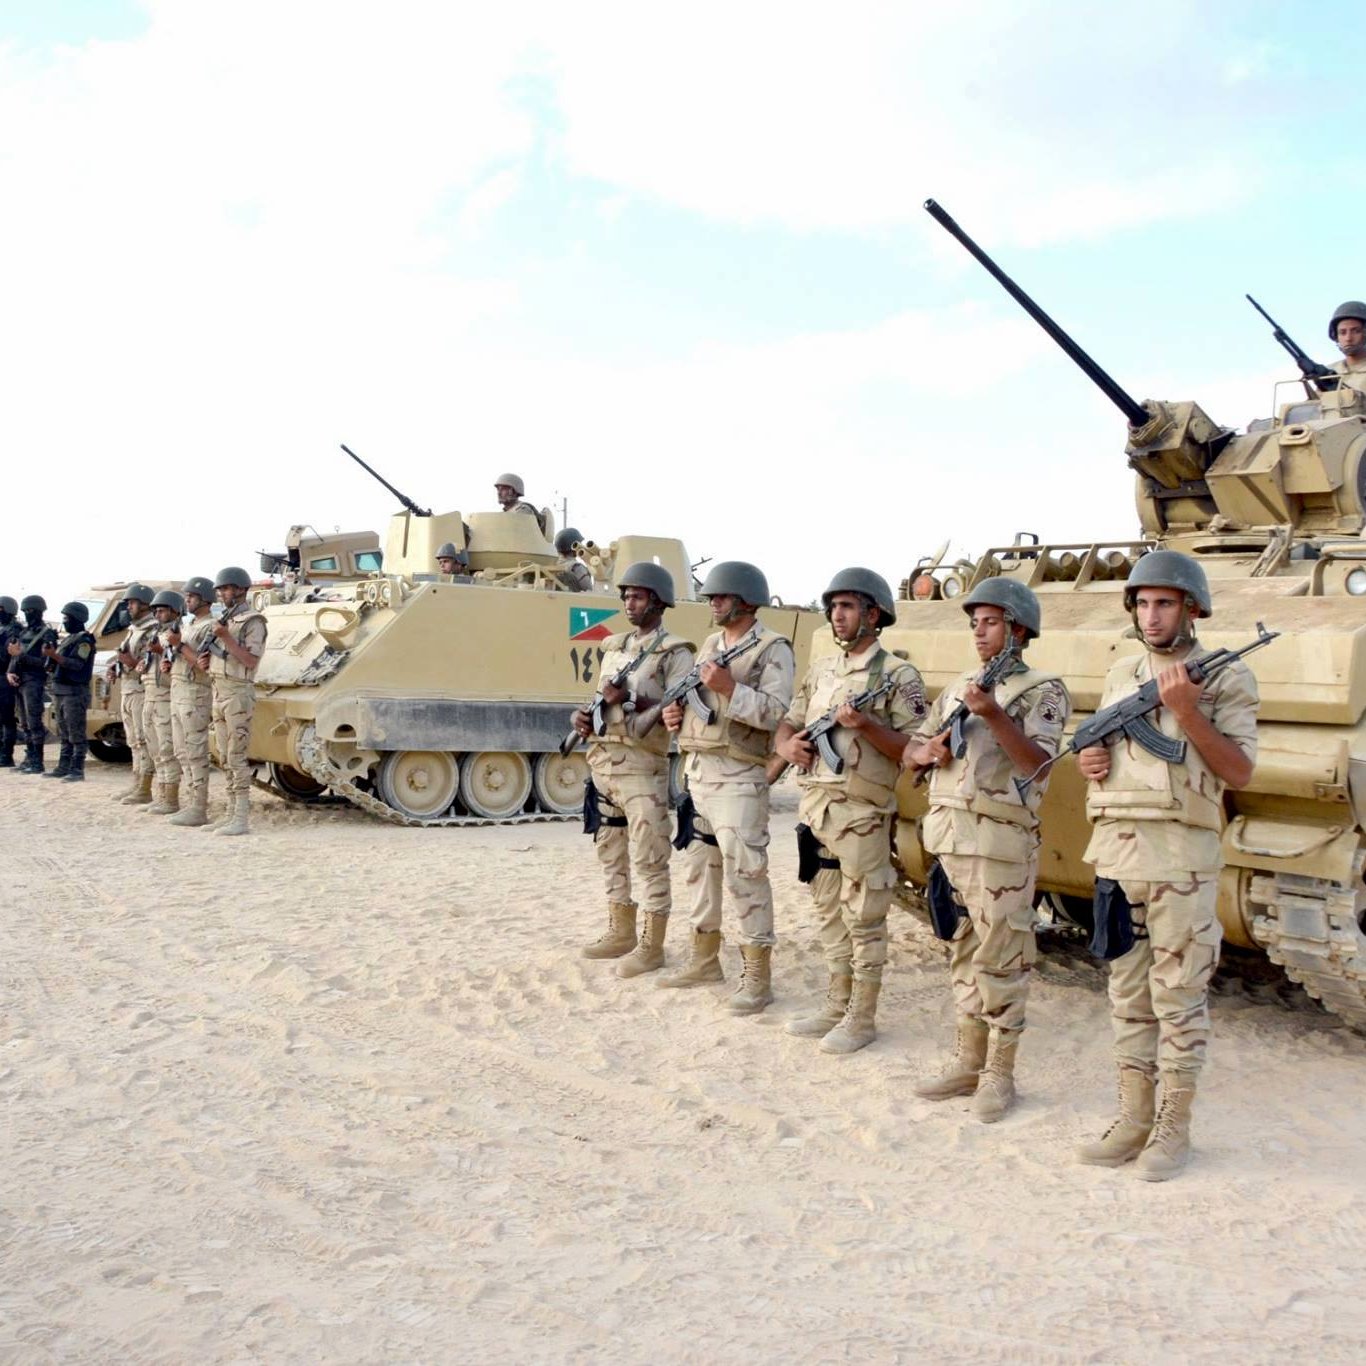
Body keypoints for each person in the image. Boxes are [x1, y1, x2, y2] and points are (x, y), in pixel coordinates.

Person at [1075, 551, 1258, 1181]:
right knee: (1127, 993)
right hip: (1117, 851)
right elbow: (1101, 747)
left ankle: (1172, 1128)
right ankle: (1133, 1117)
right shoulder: (1123, 670)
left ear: (1192, 609)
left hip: (1181, 859)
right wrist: (1091, 761)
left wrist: (1186, 711)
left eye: (1165, 604)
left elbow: (1239, 770)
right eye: (1144, 604)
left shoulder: (1226, 677)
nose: (1152, 616)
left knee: (1177, 995)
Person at [904, 580, 1069, 1116]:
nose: (979, 632)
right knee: (962, 949)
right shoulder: (959, 686)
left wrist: (995, 714)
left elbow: (1040, 765)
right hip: (950, 837)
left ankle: (1000, 1073)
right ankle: (968, 1061)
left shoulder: (1042, 690)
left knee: (1004, 958)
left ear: (1019, 629)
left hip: (999, 844)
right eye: (975, 623)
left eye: (991, 622)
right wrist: (923, 752)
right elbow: (914, 746)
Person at [774, 568, 929, 1054]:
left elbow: (915, 750)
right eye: (833, 607)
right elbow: (789, 721)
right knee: (828, 911)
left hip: (862, 812)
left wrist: (865, 726)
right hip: (817, 809)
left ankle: (861, 1017)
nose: (836, 615)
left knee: (865, 916)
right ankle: (835, 1004)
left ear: (873, 614)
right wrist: (787, 747)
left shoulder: (897, 676)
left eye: (847, 606)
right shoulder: (822, 669)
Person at [660, 561, 794, 1014]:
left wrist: (730, 687)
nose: (713, 602)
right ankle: (703, 959)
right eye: (712, 597)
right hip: (699, 771)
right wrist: (676, 716)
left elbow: (776, 712)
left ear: (746, 601)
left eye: (721, 596)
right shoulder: (712, 644)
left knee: (746, 874)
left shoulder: (773, 648)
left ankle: (757, 977)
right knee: (700, 869)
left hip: (739, 776)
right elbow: (700, 702)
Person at [575, 562, 696, 976]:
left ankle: (651, 946)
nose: (629, 603)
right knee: (610, 850)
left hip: (642, 765)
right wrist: (584, 716)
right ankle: (620, 931)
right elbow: (599, 697)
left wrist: (629, 699)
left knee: (650, 855)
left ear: (659, 602)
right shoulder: (614, 647)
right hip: (603, 760)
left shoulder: (676, 653)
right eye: (626, 596)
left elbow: (676, 707)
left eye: (638, 597)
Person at [199, 567, 267, 836]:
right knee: (224, 756)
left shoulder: (253, 621)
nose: (222, 594)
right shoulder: (226, 619)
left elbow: (250, 660)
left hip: (238, 693)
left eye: (227, 588)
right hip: (219, 690)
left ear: (241, 590)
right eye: (220, 590)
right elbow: (226, 657)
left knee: (236, 757)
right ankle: (229, 814)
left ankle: (240, 818)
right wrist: (209, 660)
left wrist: (225, 637)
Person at [165, 578, 217, 827]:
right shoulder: (189, 625)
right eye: (186, 596)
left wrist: (179, 645)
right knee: (181, 751)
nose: (187, 600)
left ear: (205, 599)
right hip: (178, 690)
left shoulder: (211, 627)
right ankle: (191, 802)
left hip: (195, 692)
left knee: (195, 751)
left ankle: (199, 807)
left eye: (192, 596)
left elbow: (205, 664)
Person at [108, 585, 159, 805]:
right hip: (128, 688)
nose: (128, 607)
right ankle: (136, 783)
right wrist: (115, 667)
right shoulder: (134, 628)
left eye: (132, 603)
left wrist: (128, 661)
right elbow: (124, 655)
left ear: (145, 604)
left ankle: (144, 788)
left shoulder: (152, 629)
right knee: (133, 741)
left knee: (142, 739)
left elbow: (149, 664)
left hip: (141, 689)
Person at [141, 590, 186, 815]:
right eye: (156, 611)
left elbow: (182, 665)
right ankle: (161, 795)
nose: (158, 615)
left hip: (167, 696)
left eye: (162, 610)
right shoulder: (157, 633)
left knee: (167, 749)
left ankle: (171, 799)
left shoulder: (179, 633)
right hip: (151, 694)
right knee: (155, 749)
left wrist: (161, 651)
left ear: (175, 611)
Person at [42, 601, 97, 782]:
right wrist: (50, 657)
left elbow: (76, 664)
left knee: (76, 732)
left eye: (67, 618)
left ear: (76, 618)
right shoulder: (67, 640)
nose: (64, 622)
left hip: (75, 692)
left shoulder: (84, 641)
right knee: (64, 731)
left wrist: (54, 655)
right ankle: (63, 766)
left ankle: (77, 769)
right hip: (61, 690)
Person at [6, 595, 55, 774]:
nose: (27, 614)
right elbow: (14, 655)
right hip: (20, 679)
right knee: (24, 722)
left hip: (34, 680)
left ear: (40, 611)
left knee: (34, 721)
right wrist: (10, 672)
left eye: (31, 611)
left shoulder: (47, 634)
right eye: (25, 611)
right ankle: (30, 756)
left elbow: (46, 663)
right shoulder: (24, 632)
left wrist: (21, 656)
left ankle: (37, 761)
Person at [1329, 301, 1366, 393]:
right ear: (1336, 336)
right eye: (1342, 333)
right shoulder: (1330, 372)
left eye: (1356, 331)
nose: (1348, 338)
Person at [0, 596, 20, 768]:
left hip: (7, 677)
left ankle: (6, 755)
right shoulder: (4, 628)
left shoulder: (14, 630)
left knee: (6, 718)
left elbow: (8, 655)